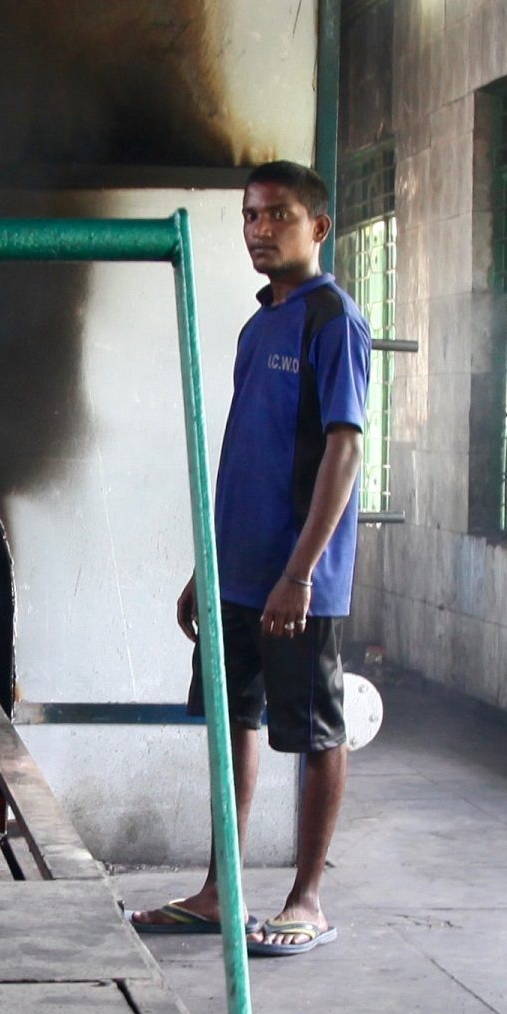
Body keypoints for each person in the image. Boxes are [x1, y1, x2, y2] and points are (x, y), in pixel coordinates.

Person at [139, 158, 367, 957]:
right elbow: (243, 455)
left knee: (312, 732)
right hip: (236, 572)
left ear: (318, 227)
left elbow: (342, 452)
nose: (259, 230)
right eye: (249, 216)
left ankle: (306, 899)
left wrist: (299, 571)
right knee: (229, 723)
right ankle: (219, 891)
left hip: (298, 579)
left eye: (277, 215)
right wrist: (207, 564)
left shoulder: (330, 321)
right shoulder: (257, 323)